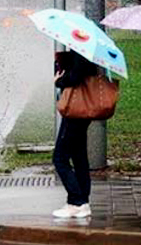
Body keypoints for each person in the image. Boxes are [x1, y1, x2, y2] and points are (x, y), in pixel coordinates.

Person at [52, 50, 97, 219]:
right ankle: (81, 202)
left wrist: (59, 81)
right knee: (79, 157)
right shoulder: (83, 51)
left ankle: (76, 201)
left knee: (59, 157)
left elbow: (75, 77)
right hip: (80, 110)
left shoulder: (82, 51)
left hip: (76, 110)